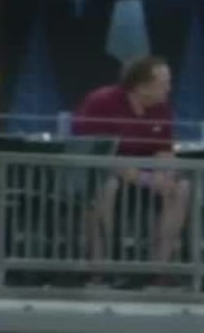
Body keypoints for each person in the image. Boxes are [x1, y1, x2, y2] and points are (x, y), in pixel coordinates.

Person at [72, 55, 192, 279]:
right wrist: (144, 178)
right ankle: (104, 266)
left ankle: (158, 269)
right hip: (105, 174)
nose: (169, 88)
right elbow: (100, 154)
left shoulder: (162, 109)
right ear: (141, 86)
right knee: (106, 187)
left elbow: (164, 149)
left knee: (181, 188)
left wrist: (165, 175)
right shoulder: (101, 102)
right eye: (163, 83)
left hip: (143, 178)